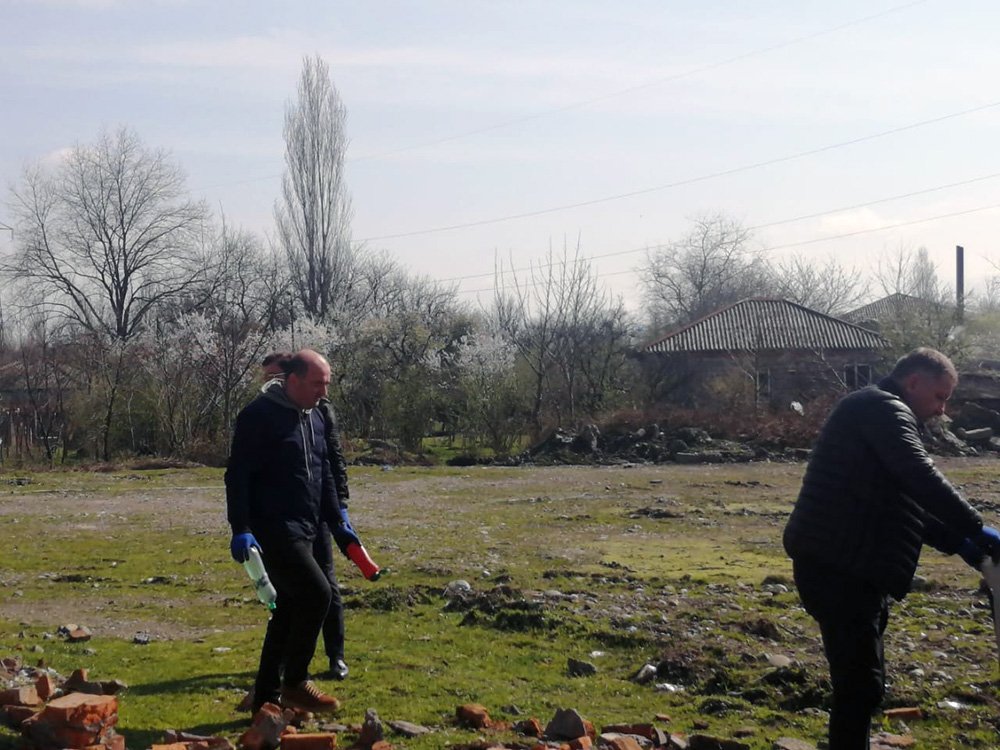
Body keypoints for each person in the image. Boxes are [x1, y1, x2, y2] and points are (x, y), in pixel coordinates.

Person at [783, 347, 1000, 750]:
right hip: (839, 566)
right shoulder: (882, 409)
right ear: (913, 382)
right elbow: (918, 476)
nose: (942, 409)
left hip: (850, 565)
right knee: (860, 685)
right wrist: (976, 528)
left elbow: (902, 501)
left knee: (863, 683)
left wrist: (960, 543)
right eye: (940, 396)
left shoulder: (876, 411)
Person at [226, 349, 341, 713]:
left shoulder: (316, 415)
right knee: (318, 594)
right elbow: (237, 475)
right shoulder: (258, 415)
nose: (323, 392)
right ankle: (294, 681)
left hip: (308, 524)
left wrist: (338, 519)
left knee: (289, 607)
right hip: (273, 527)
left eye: (326, 384)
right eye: (317, 384)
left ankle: (265, 697)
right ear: (293, 381)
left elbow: (324, 471)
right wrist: (240, 527)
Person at [261, 351, 351, 680]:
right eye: (267, 378)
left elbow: (331, 460)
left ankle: (335, 656)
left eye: (276, 376)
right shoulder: (264, 413)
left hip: (318, 513)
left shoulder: (319, 410)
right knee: (290, 593)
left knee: (326, 585)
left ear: (291, 377)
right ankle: (287, 666)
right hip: (284, 520)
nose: (271, 383)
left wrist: (339, 507)